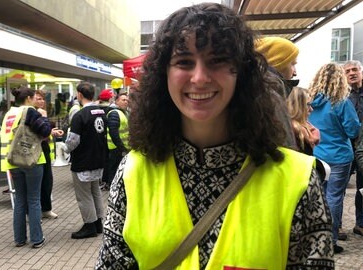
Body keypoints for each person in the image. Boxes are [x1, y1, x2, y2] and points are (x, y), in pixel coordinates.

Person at [96, 3, 333, 269]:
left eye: (217, 60)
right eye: (184, 62)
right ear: (164, 75)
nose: (199, 78)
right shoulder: (132, 172)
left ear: (241, 73)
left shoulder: (297, 179)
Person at [308, 62, 361, 253]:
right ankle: (330, 240)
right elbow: (353, 129)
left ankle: (314, 237)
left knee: (316, 197)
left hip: (315, 154)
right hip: (339, 156)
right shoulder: (342, 101)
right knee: (334, 198)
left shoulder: (310, 100)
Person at [0, 86, 52, 248]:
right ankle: (37, 239)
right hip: (32, 160)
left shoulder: (9, 113)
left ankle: (19, 239)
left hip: (13, 161)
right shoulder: (30, 111)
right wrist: (44, 118)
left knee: (20, 200)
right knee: (34, 200)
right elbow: (45, 131)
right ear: (29, 98)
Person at [63, 82, 107, 239]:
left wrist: (65, 148)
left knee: (84, 195)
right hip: (98, 158)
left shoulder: (80, 115)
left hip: (83, 161)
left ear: (79, 95)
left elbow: (73, 141)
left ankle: (89, 225)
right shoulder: (100, 112)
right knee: (95, 191)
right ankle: (98, 222)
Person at [35, 90, 64, 219]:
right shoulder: (31, 114)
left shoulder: (41, 113)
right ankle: (35, 211)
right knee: (37, 181)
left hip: (44, 149)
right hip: (33, 151)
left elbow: (44, 131)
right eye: (38, 98)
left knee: (47, 179)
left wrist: (51, 132)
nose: (41, 101)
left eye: (42, 99)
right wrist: (44, 117)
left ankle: (46, 209)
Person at [344, 60, 363, 236]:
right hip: (347, 147)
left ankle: (360, 223)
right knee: (339, 187)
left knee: (362, 187)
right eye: (348, 71)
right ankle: (337, 225)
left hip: (362, 147)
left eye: (355, 69)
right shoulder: (343, 95)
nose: (352, 73)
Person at [102, 93, 129, 191]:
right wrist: (121, 147)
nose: (126, 102)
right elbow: (113, 132)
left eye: (127, 100)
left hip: (120, 147)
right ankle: (112, 187)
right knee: (114, 169)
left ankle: (113, 186)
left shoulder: (122, 112)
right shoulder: (114, 113)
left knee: (117, 168)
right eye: (123, 100)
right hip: (116, 147)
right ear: (116, 101)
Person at [286, 86, 320, 155]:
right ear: (297, 105)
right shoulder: (294, 132)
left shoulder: (302, 128)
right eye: (307, 105)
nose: (311, 109)